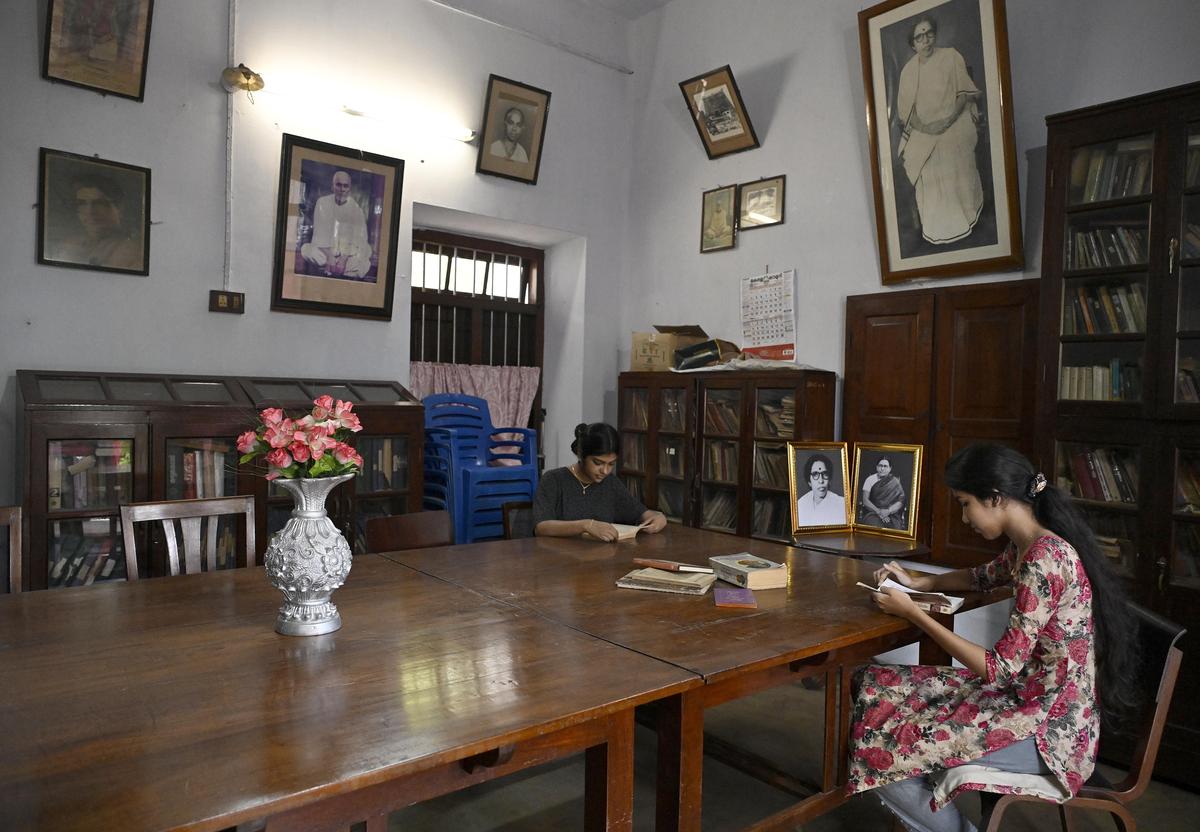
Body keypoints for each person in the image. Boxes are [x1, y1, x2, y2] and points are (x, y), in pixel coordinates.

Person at [846, 443, 1136, 832]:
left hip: (1049, 733)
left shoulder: (1042, 561)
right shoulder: (1028, 545)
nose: (964, 517)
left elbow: (998, 668)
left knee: (877, 745)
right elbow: (979, 577)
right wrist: (920, 582)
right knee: (872, 684)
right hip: (1027, 698)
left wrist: (914, 611)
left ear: (996, 498)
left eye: (965, 504)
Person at [895, 13, 985, 245]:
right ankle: (937, 226)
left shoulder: (951, 56)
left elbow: (963, 95)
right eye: (919, 37)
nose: (925, 40)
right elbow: (906, 113)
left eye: (928, 33)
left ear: (934, 34)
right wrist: (926, 127)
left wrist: (945, 122)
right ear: (913, 44)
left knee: (952, 148)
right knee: (926, 162)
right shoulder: (908, 71)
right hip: (923, 128)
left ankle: (964, 216)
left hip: (954, 120)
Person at [533, 422, 668, 541]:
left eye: (611, 464)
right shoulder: (554, 480)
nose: (605, 471)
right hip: (557, 561)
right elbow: (541, 527)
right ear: (581, 454)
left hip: (601, 560)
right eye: (598, 463)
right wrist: (586, 525)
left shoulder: (610, 483)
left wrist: (658, 517)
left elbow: (640, 513)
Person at [52, 173, 142, 270]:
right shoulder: (70, 245)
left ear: (119, 208)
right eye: (81, 204)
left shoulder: (131, 251)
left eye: (100, 203)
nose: (89, 212)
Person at [300, 170, 372, 278]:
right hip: (324, 254)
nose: (342, 190)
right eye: (338, 185)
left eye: (345, 186)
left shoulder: (357, 210)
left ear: (349, 189)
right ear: (332, 187)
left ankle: (333, 269)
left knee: (366, 254)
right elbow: (319, 235)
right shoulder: (322, 203)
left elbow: (359, 240)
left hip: (348, 256)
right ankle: (343, 271)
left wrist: (343, 259)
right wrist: (330, 257)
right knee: (306, 249)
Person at [795, 453, 846, 526]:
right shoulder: (800, 505)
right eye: (815, 474)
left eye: (825, 474)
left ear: (829, 479)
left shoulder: (842, 504)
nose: (821, 480)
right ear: (809, 481)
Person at [859, 457, 906, 529]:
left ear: (890, 468)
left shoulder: (895, 481)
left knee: (895, 528)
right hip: (873, 512)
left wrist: (888, 511)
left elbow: (901, 501)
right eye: (880, 466)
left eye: (885, 466)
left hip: (891, 513)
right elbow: (865, 500)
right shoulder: (870, 479)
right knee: (874, 526)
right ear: (876, 467)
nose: (882, 469)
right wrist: (879, 512)